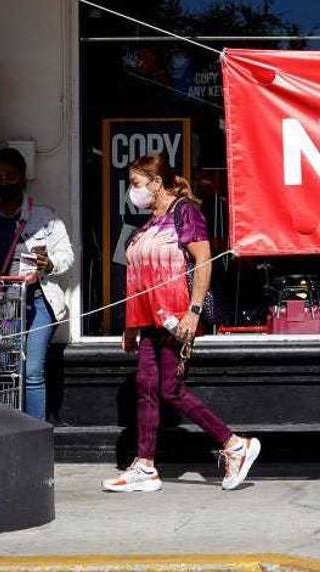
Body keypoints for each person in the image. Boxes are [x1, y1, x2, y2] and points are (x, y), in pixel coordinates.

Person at [102, 153, 260, 493]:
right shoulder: (145, 224)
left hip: (176, 317)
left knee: (169, 389)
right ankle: (145, 466)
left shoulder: (184, 212)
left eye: (137, 184)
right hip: (147, 321)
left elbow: (203, 260)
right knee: (146, 387)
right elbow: (138, 277)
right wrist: (131, 325)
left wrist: (194, 310)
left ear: (157, 183)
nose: (133, 191)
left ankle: (234, 444)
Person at [0, 147, 75, 421]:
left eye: (10, 176)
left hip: (39, 301)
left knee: (32, 371)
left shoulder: (43, 216)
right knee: (6, 368)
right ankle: (7, 429)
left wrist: (49, 264)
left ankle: (36, 433)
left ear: (23, 177)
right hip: (2, 304)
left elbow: (67, 255)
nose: (5, 182)